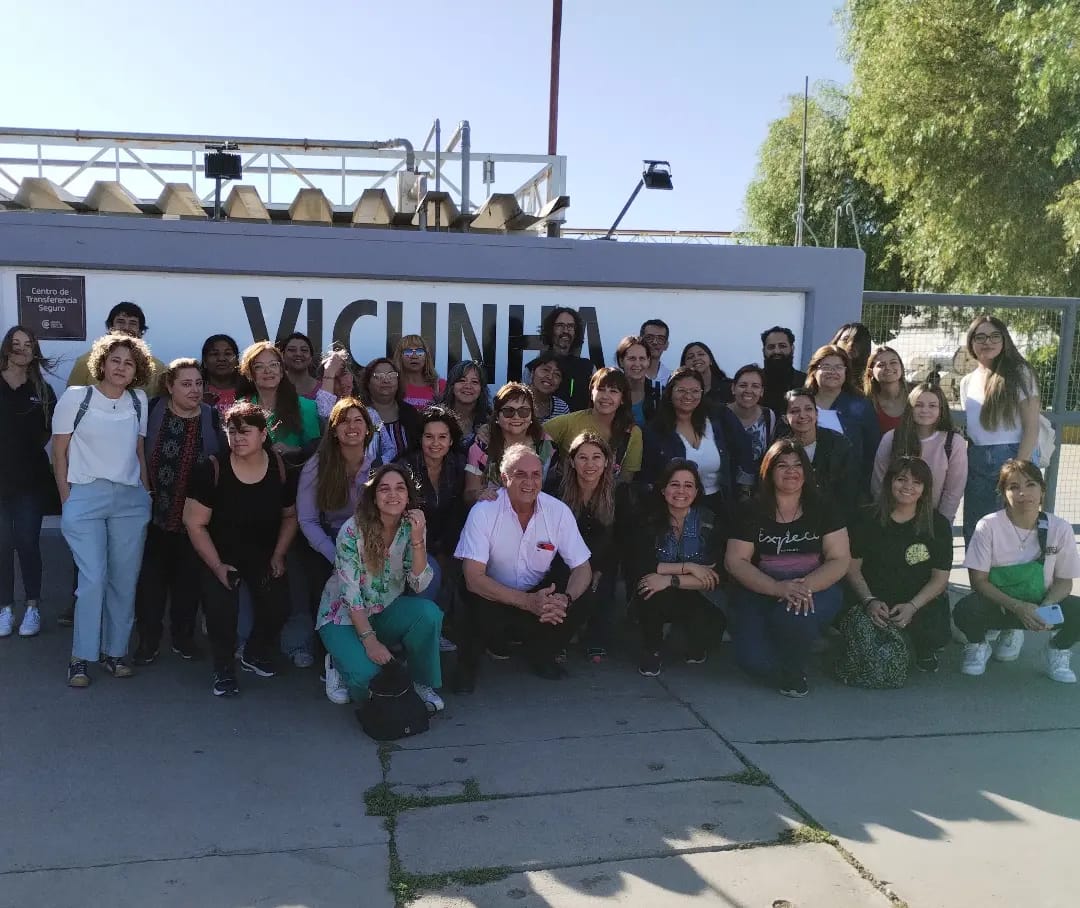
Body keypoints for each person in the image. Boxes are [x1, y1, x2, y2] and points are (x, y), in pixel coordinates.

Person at [53, 333, 153, 687]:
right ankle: (80, 657)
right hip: (85, 497)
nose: (121, 367)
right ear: (102, 363)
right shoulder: (76, 398)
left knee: (124, 581)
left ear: (137, 369)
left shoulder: (139, 401)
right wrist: (68, 499)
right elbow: (59, 453)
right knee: (92, 579)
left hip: (130, 500)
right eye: (115, 360)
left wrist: (146, 493)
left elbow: (138, 453)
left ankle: (115, 652)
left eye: (129, 362)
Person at [453, 444, 592, 690]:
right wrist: (527, 602)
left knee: (581, 596)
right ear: (504, 478)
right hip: (491, 593)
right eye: (520, 474)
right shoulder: (484, 512)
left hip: (537, 591)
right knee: (468, 601)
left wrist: (565, 599)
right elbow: (474, 578)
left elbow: (583, 568)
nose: (530, 482)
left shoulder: (558, 511)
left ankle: (542, 654)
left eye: (536, 474)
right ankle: (468, 664)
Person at [183, 402, 297, 696]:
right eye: (232, 432)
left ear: (263, 434)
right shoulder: (211, 468)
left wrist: (279, 554)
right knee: (221, 614)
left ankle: (254, 653)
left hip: (264, 553)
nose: (238, 438)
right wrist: (217, 566)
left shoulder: (280, 468)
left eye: (245, 432)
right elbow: (194, 524)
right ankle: (223, 670)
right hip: (219, 554)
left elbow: (290, 515)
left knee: (279, 607)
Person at [726, 439, 851, 698]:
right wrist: (777, 588)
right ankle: (784, 652)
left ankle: (795, 669)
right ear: (769, 472)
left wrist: (803, 587)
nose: (790, 471)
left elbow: (839, 559)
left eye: (797, 465)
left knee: (793, 618)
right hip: (760, 587)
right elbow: (735, 561)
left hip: (813, 587)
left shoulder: (824, 507)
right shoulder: (750, 509)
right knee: (753, 661)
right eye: (782, 465)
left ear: (807, 471)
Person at [316, 463, 445, 712]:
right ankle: (337, 662)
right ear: (374, 498)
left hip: (384, 609)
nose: (393, 494)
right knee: (369, 683)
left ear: (408, 495)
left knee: (428, 614)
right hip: (342, 617)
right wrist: (370, 642)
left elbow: (419, 585)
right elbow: (351, 596)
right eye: (384, 489)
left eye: (400, 488)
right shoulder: (352, 531)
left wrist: (418, 541)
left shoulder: (412, 526)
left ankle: (421, 683)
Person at [133, 358, 225, 665]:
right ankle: (148, 640)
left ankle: (183, 638)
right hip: (154, 517)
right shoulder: (152, 409)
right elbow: (136, 454)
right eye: (186, 384)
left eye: (199, 383)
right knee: (150, 585)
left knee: (188, 584)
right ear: (169, 386)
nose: (195, 390)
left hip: (194, 523)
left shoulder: (212, 418)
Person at [955, 460, 1079, 683]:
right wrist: (1017, 607)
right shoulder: (988, 525)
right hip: (1000, 604)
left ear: (1042, 490)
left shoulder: (1059, 528)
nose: (1023, 493)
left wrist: (1045, 607)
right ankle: (979, 644)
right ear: (1003, 493)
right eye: (1013, 487)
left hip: (1041, 602)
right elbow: (979, 581)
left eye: (1031, 484)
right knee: (965, 610)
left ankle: (1056, 649)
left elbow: (1064, 581)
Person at [296, 397, 376, 703]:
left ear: (368, 429)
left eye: (358, 421)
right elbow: (306, 519)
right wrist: (336, 556)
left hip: (369, 545)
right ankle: (332, 660)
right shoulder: (317, 465)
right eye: (344, 421)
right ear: (333, 429)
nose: (352, 427)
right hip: (327, 544)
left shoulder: (376, 466)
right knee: (334, 594)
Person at [846, 456, 952, 673]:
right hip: (874, 599)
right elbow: (852, 568)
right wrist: (869, 601)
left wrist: (913, 606)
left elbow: (940, 579)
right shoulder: (866, 518)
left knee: (933, 632)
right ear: (889, 482)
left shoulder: (938, 524)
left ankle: (923, 647)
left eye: (916, 482)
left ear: (925, 489)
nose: (908, 487)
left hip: (916, 600)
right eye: (902, 479)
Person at [632, 460, 725, 677]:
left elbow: (711, 576)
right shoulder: (648, 519)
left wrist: (670, 578)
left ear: (696, 491)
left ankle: (693, 642)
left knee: (711, 625)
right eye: (674, 484)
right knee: (649, 587)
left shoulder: (709, 521)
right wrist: (689, 567)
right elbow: (641, 564)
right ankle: (652, 649)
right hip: (658, 590)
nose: (681, 491)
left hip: (698, 592)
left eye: (688, 485)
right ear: (664, 490)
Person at [959, 315, 1041, 544]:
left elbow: (1031, 427)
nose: (988, 342)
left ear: (1004, 340)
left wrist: (1018, 471)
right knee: (977, 533)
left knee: (1013, 533)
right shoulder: (967, 381)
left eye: (995, 336)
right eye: (981, 337)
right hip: (976, 463)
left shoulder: (1021, 373)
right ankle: (978, 581)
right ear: (971, 342)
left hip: (1012, 458)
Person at [0, 326, 58, 638]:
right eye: (16, 343)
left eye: (28, 344)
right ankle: (4, 608)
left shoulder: (43, 389)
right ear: (6, 347)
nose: (21, 349)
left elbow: (48, 431)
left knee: (26, 543)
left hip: (30, 480)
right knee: (1, 544)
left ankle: (32, 607)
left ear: (34, 351)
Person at [394, 406, 469, 640]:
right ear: (420, 438)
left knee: (459, 569)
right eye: (429, 436)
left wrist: (447, 549)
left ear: (451, 440)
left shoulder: (459, 464)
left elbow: (458, 511)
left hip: (447, 541)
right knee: (431, 572)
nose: (435, 443)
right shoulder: (404, 466)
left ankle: (441, 629)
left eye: (442, 437)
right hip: (410, 543)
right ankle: (419, 635)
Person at [642, 367, 754, 519]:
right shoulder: (655, 431)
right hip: (675, 510)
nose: (688, 396)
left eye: (695, 391)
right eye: (681, 390)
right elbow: (648, 477)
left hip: (720, 505)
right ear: (669, 393)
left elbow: (744, 448)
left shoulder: (719, 418)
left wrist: (744, 492)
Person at [872, 381, 968, 524]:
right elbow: (879, 482)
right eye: (919, 405)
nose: (925, 410)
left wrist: (943, 523)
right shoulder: (891, 438)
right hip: (894, 519)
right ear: (910, 408)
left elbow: (953, 491)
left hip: (933, 520)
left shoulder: (954, 443)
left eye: (932, 406)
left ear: (941, 410)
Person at [559, 432, 618, 663]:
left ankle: (596, 638)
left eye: (596, 457)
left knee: (602, 581)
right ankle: (559, 638)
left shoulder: (618, 494)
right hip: (564, 557)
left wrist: (597, 568)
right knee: (561, 577)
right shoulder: (558, 491)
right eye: (583, 458)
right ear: (572, 462)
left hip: (601, 557)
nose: (590, 464)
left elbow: (618, 540)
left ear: (606, 462)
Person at [544, 368, 643, 482]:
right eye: (600, 389)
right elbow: (533, 438)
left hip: (610, 497)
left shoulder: (632, 433)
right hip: (566, 495)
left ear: (622, 399)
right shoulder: (568, 422)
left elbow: (626, 478)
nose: (605, 396)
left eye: (613, 391)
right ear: (591, 393)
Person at [465, 383, 555, 503]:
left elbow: (554, 491)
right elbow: (468, 494)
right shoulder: (482, 447)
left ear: (532, 415)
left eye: (523, 411)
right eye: (508, 411)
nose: (516, 417)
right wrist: (478, 494)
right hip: (493, 514)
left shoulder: (546, 446)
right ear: (497, 415)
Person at [804, 344, 879, 488]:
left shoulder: (861, 406)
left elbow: (871, 452)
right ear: (814, 370)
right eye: (826, 366)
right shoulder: (800, 402)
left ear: (846, 372)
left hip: (846, 489)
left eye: (838, 367)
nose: (832, 372)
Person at [238, 342, 321, 463]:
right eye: (259, 366)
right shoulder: (241, 407)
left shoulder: (306, 406)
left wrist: (293, 450)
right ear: (250, 374)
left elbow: (316, 450)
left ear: (282, 371)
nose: (268, 371)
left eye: (273, 365)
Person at [780, 389, 856, 512]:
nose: (802, 415)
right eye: (795, 411)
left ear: (817, 414)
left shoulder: (839, 445)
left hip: (831, 515)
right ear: (785, 418)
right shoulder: (780, 448)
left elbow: (848, 492)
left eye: (808, 409)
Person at [66, 302, 166, 393]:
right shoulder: (85, 362)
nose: (126, 327)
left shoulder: (158, 368)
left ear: (140, 331)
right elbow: (71, 401)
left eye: (133, 323)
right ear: (110, 327)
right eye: (121, 321)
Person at [360, 357, 421, 464]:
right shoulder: (359, 413)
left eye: (391, 375)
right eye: (378, 376)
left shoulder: (410, 412)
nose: (386, 380)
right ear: (367, 382)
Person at [537, 307, 594, 411]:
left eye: (570, 326)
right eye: (560, 325)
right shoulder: (534, 367)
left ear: (576, 332)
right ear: (550, 329)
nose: (565, 330)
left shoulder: (588, 368)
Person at [727, 364, 779, 470]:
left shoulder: (768, 416)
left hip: (756, 484)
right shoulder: (719, 414)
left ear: (762, 392)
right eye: (743, 385)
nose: (748, 390)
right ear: (733, 388)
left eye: (755, 386)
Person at [439, 359, 491, 451]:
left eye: (474, 382)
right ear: (452, 386)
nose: (468, 386)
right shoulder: (437, 416)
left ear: (481, 389)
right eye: (462, 380)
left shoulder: (489, 420)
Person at [616, 335, 661, 428]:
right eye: (632, 358)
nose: (637, 364)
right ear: (621, 361)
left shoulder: (659, 394)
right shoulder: (610, 393)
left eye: (642, 358)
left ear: (648, 361)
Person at [760, 326, 807, 414]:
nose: (777, 351)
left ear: (792, 348)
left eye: (782, 346)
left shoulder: (806, 383)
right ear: (763, 350)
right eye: (771, 347)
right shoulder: (754, 383)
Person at [393, 334, 446, 408]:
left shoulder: (440, 385)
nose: (414, 356)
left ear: (426, 356)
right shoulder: (393, 385)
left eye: (419, 351)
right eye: (408, 351)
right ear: (400, 357)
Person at [864, 346, 908, 433]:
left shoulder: (918, 395)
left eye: (893, 362)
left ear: (901, 368)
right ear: (870, 372)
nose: (888, 367)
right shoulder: (866, 402)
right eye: (881, 365)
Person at [680, 341, 732, 408]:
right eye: (690, 357)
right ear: (684, 366)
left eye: (701, 354)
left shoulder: (729, 387)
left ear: (710, 360)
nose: (696, 358)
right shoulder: (680, 392)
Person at [524, 350, 570, 422]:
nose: (550, 377)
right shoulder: (514, 400)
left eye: (557, 374)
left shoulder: (562, 408)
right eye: (545, 370)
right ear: (532, 373)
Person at [201, 334, 241, 416]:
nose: (221, 359)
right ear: (204, 362)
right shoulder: (195, 393)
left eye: (228, 354)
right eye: (215, 354)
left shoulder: (250, 392)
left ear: (237, 360)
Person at [279, 332, 320, 399]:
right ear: (282, 355)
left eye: (304, 350)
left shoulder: (322, 389)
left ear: (311, 357)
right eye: (292, 350)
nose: (298, 354)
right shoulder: (274, 387)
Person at [830, 322, 872, 389]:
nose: (851, 344)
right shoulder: (822, 371)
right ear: (836, 342)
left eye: (857, 340)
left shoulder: (869, 379)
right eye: (845, 339)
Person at [639, 319, 673, 387]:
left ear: (666, 345)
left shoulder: (671, 378)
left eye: (660, 339)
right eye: (649, 338)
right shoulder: (629, 372)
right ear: (640, 341)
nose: (655, 342)